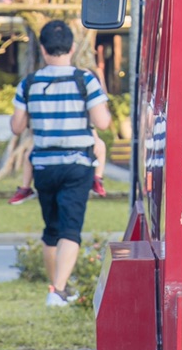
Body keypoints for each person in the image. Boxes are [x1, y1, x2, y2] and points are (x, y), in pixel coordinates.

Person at [10, 20, 111, 307]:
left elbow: (17, 127)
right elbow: (102, 122)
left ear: (42, 49)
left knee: (51, 230)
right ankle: (59, 291)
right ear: (73, 47)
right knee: (70, 229)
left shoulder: (29, 83)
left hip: (43, 165)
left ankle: (55, 287)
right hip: (77, 164)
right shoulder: (85, 80)